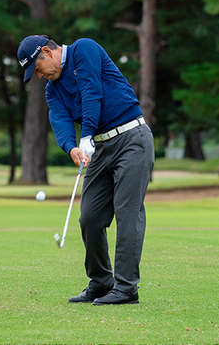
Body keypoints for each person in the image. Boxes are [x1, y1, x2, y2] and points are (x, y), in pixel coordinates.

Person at [18, 34, 154, 305]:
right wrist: (72, 147)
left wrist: (86, 135)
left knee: (127, 213)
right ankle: (102, 282)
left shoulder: (85, 49)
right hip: (98, 148)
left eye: (37, 68)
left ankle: (126, 288)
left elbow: (92, 91)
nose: (40, 75)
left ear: (46, 51)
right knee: (89, 218)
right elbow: (59, 118)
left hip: (131, 138)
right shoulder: (52, 89)